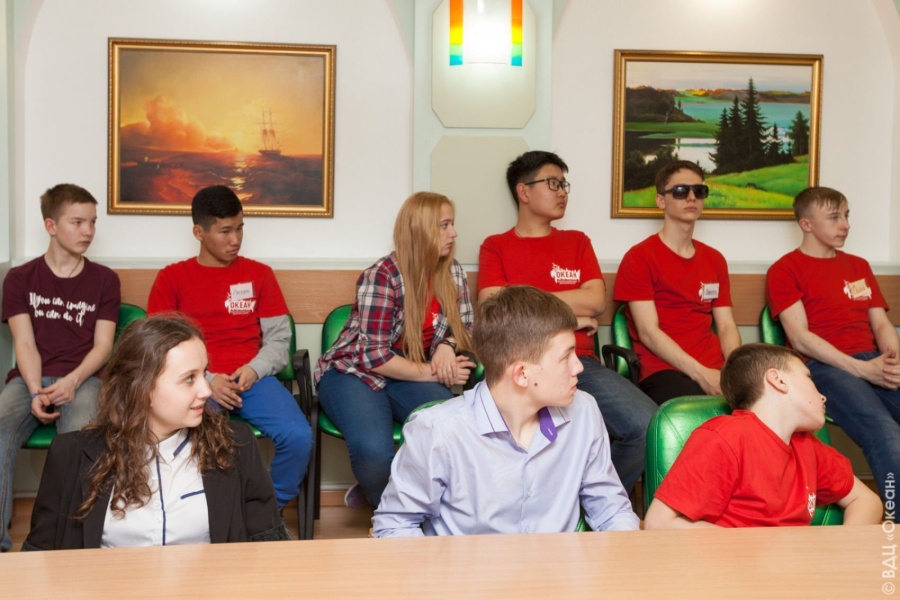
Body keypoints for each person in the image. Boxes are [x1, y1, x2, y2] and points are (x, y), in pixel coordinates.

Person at [373, 285, 640, 536]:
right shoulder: (438, 431)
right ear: (522, 374)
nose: (578, 367)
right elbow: (394, 526)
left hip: (558, 569)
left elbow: (612, 510)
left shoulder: (583, 411)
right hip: (470, 571)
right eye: (565, 357)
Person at [23, 315, 289, 549]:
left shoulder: (235, 445)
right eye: (189, 378)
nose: (206, 390)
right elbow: (40, 555)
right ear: (141, 388)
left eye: (204, 373)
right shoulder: (71, 454)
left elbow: (267, 543)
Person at [477, 150, 656, 496]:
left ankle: (593, 504)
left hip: (579, 365)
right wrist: (572, 316)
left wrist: (524, 299)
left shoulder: (577, 242)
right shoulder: (496, 246)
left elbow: (596, 300)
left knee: (645, 425)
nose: (562, 192)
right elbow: (494, 308)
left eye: (564, 185)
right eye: (553, 183)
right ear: (523, 191)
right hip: (519, 368)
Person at [148, 185, 311, 510]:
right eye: (225, 231)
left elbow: (280, 341)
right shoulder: (172, 278)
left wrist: (254, 369)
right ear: (199, 232)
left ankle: (267, 513)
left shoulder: (260, 274)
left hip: (253, 379)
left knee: (298, 437)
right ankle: (212, 515)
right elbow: (159, 345)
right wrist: (206, 379)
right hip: (195, 383)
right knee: (199, 446)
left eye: (239, 228)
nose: (235, 239)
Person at [315, 191, 476, 509]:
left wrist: (447, 346)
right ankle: (390, 511)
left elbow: (466, 327)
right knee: (373, 453)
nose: (454, 233)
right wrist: (435, 371)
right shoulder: (382, 276)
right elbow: (374, 356)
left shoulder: (453, 272)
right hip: (354, 371)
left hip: (409, 370)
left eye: (452, 224)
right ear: (420, 230)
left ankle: (385, 488)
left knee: (455, 430)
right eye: (444, 225)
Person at [0, 183, 120, 552]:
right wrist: (35, 390)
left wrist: (72, 381)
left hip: (84, 377)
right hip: (30, 377)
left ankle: (70, 542)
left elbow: (103, 346)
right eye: (78, 222)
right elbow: (25, 343)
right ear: (51, 226)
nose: (88, 231)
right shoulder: (20, 278)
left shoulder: (105, 280)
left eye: (93, 222)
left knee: (80, 438)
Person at [644, 343, 882, 528]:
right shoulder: (725, 437)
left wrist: (840, 549)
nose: (823, 396)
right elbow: (658, 523)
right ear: (778, 380)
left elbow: (867, 500)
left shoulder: (807, 444)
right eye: (809, 378)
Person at [767, 186, 900, 504]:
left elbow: (881, 323)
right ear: (806, 224)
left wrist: (892, 359)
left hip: (872, 361)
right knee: (884, 432)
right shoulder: (785, 270)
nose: (846, 225)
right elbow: (800, 338)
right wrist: (862, 369)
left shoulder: (858, 266)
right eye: (834, 217)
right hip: (824, 367)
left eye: (846, 216)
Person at [614, 160, 741, 405]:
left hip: (716, 368)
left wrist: (735, 369)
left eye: (699, 191)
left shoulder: (714, 259)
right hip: (665, 370)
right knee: (701, 415)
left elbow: (726, 326)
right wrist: (702, 374)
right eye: (681, 191)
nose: (692, 197)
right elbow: (648, 333)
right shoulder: (639, 258)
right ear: (661, 201)